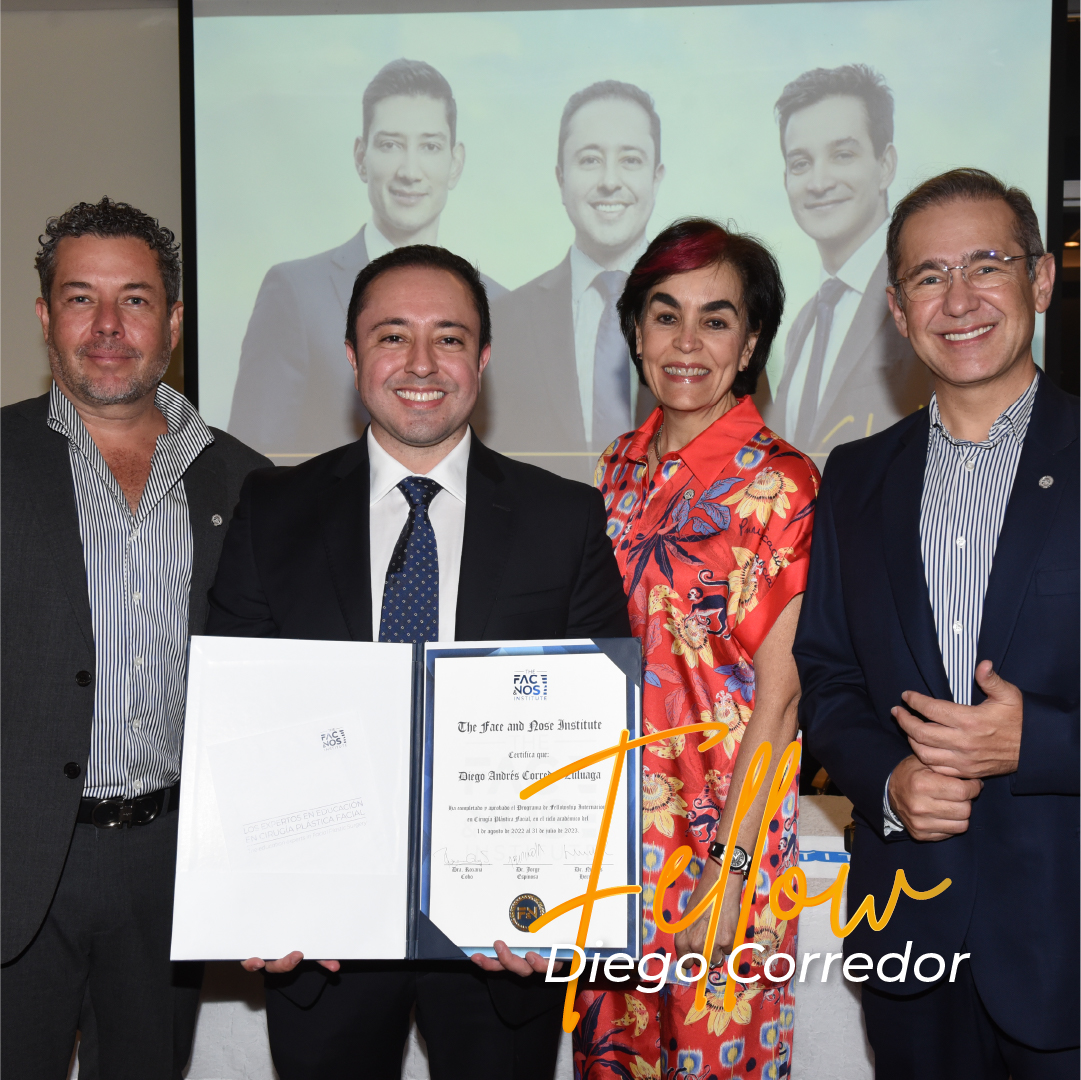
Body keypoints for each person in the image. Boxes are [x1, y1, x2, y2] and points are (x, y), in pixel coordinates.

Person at [207, 243, 631, 1079]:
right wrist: (254, 892)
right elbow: (234, 714)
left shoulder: (564, 518)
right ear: (351, 354)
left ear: (483, 357)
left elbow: (596, 731)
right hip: (319, 930)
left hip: (507, 935)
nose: (421, 364)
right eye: (392, 336)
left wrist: (566, 904)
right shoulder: (273, 508)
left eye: (449, 337)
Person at [796, 169, 1078, 1079]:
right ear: (895, 307)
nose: (958, 300)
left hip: (1066, 943)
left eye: (985, 265)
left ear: (1039, 279)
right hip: (908, 938)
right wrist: (888, 784)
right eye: (928, 276)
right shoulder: (854, 478)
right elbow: (828, 678)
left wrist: (1037, 742)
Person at [0, 198, 268, 1079]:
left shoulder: (246, 480)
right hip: (15, 863)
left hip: (170, 865)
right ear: (45, 316)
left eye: (136, 300)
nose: (108, 325)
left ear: (174, 322)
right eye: (81, 298)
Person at [575, 219, 818, 1078]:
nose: (686, 342)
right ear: (636, 333)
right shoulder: (615, 470)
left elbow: (781, 700)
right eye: (664, 314)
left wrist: (731, 870)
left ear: (749, 344)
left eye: (715, 320)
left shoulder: (780, 483)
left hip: (723, 842)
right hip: (607, 851)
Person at [228, 58, 505, 458]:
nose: (410, 171)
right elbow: (257, 456)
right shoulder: (295, 291)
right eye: (391, 145)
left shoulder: (504, 300)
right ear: (360, 157)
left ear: (455, 163)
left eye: (429, 146)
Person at [479, 80, 665, 484]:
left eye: (631, 159)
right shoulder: (503, 321)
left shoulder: (716, 321)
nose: (610, 181)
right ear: (561, 178)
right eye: (590, 159)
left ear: (656, 177)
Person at [760, 64, 932, 462]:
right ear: (786, 179)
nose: (819, 182)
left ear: (886, 166)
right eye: (800, 163)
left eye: (842, 155)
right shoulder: (804, 323)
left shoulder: (924, 296)